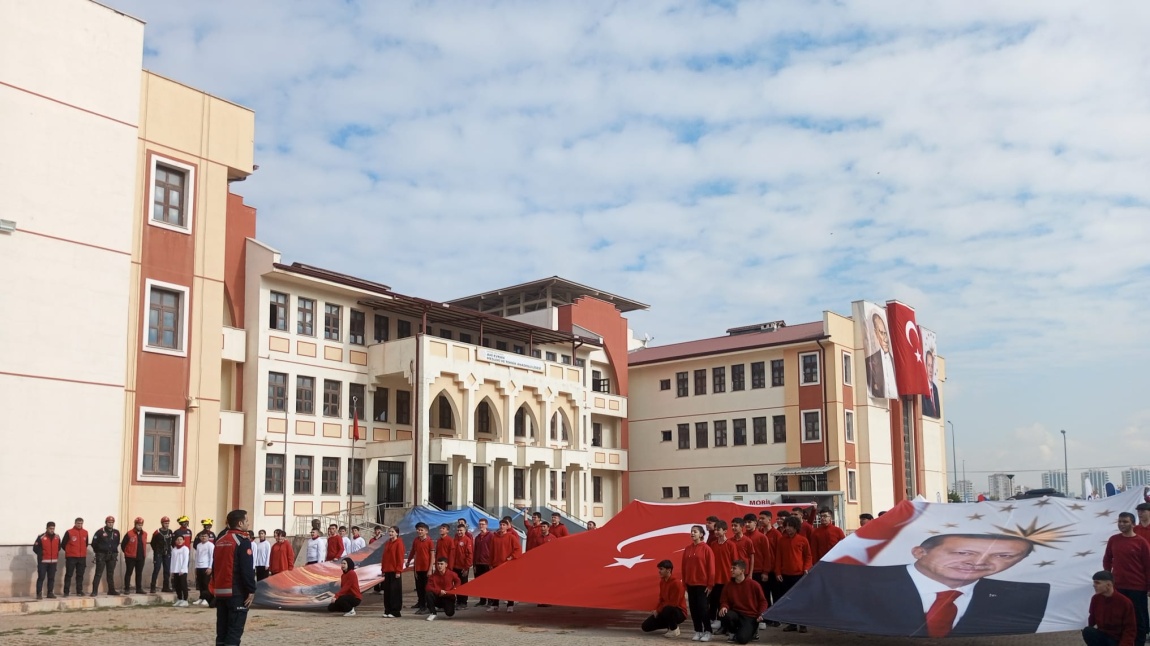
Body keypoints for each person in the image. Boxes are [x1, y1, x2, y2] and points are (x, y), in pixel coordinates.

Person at [767, 532, 1050, 636]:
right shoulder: (859, 584)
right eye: (963, 552)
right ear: (919, 551)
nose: (979, 563)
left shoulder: (1030, 598)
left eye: (1005, 556)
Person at [211, 509, 258, 645]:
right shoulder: (242, 541)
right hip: (236, 592)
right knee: (234, 632)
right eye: (247, 521)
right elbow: (246, 569)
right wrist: (251, 589)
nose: (248, 524)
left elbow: (215, 566)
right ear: (240, 523)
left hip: (221, 592)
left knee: (222, 632)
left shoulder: (220, 540)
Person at [1103, 512, 1150, 646]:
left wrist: (1149, 586)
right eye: (1120, 521)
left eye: (1125, 522)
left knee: (1138, 619)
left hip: (1137, 587)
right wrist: (1108, 578)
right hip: (1118, 587)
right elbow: (1107, 559)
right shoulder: (1113, 539)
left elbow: (1148, 565)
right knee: (1120, 618)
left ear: (1133, 524)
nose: (1121, 524)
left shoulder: (1141, 542)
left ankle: (1139, 643)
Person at [772, 515, 812, 633]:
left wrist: (806, 569)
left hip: (799, 575)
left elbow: (808, 556)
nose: (788, 528)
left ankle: (803, 623)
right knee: (788, 600)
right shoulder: (781, 540)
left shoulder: (803, 540)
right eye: (786, 526)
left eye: (791, 526)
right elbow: (778, 557)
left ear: (796, 527)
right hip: (785, 575)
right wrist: (778, 571)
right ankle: (792, 624)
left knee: (800, 600)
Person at [718, 560, 769, 645]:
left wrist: (761, 614)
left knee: (742, 640)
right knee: (724, 614)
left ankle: (753, 632)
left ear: (742, 571)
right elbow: (724, 600)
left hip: (750, 616)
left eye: (734, 568)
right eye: (731, 568)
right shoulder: (728, 585)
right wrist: (724, 607)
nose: (731, 570)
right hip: (736, 614)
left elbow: (763, 601)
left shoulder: (754, 585)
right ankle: (733, 633)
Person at [681, 525, 715, 642]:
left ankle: (708, 631)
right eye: (691, 531)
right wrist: (684, 582)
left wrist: (710, 584)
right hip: (690, 584)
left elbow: (711, 568)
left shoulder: (706, 549)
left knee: (703, 609)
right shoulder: (687, 549)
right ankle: (698, 630)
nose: (692, 533)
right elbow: (684, 567)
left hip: (702, 585)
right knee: (694, 609)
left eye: (695, 532)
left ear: (701, 534)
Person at [1085, 570, 1137, 646]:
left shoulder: (1125, 602)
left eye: (1097, 583)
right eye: (1094, 583)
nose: (1094, 585)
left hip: (1117, 640)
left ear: (1108, 585)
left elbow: (1130, 629)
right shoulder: (1095, 599)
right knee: (1088, 631)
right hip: (1103, 635)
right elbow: (1092, 618)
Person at [641, 559, 687, 638]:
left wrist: (659, 610)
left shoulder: (676, 583)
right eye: (659, 569)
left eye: (661, 569)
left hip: (679, 612)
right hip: (666, 610)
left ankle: (674, 629)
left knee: (668, 609)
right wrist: (656, 610)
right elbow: (661, 599)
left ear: (669, 570)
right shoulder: (662, 582)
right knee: (645, 626)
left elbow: (674, 603)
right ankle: (670, 625)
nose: (659, 571)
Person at [708, 520, 739, 633]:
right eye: (715, 529)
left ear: (725, 531)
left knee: (725, 603)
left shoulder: (731, 544)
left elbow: (735, 562)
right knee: (715, 602)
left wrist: (734, 577)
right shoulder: (713, 544)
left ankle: (726, 626)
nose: (716, 531)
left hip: (727, 578)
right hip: (716, 579)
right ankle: (719, 623)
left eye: (718, 529)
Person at [486, 517, 521, 612]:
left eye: (504, 525)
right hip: (496, 565)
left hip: (507, 566)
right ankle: (495, 604)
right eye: (500, 525)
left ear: (507, 526)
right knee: (496, 586)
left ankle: (510, 604)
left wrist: (511, 557)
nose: (501, 526)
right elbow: (491, 551)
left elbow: (518, 549)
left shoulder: (511, 537)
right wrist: (490, 563)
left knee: (508, 585)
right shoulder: (494, 537)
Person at [864, 310, 897, 399]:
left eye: (886, 334)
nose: (886, 339)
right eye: (882, 333)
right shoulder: (870, 362)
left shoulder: (895, 363)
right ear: (876, 333)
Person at [90, 516, 121, 596]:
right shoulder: (100, 532)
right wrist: (99, 551)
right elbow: (94, 543)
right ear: (106, 523)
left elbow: (117, 542)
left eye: (112, 522)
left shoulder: (116, 532)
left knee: (110, 573)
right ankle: (94, 591)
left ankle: (111, 590)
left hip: (112, 555)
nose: (110, 524)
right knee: (98, 573)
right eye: (109, 522)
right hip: (102, 555)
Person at [408, 522, 434, 613]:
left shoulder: (430, 541)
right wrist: (408, 561)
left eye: (421, 530)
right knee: (419, 588)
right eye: (418, 530)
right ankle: (421, 604)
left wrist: (430, 569)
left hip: (426, 569)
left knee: (426, 588)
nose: (419, 531)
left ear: (426, 531)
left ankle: (427, 606)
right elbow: (412, 551)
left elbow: (432, 556)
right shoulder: (416, 540)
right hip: (417, 568)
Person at [425, 557, 461, 621]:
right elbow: (428, 587)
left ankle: (449, 607)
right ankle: (433, 613)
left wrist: (455, 588)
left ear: (446, 565)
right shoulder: (433, 576)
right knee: (428, 594)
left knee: (450, 613)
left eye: (441, 564)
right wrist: (439, 591)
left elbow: (458, 581)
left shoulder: (451, 574)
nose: (439, 566)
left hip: (448, 597)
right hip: (438, 596)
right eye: (438, 564)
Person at [380, 526, 405, 618]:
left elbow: (400, 558)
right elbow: (384, 557)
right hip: (387, 570)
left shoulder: (399, 543)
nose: (390, 533)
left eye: (392, 532)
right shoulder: (387, 543)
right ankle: (387, 609)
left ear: (397, 533)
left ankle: (395, 611)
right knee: (387, 591)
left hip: (395, 571)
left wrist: (398, 570)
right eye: (389, 532)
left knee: (395, 591)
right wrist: (383, 569)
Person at [61, 517, 88, 597]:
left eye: (81, 523)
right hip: (71, 557)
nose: (80, 525)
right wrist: (69, 551)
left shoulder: (85, 532)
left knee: (80, 575)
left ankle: (79, 591)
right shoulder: (69, 532)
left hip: (82, 557)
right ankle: (66, 592)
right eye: (78, 523)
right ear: (75, 523)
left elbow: (85, 544)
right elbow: (63, 544)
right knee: (69, 574)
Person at [32, 521, 60, 600]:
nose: (52, 530)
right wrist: (42, 555)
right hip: (43, 562)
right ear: (47, 528)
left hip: (53, 562)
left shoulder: (57, 537)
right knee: (41, 577)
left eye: (53, 528)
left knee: (51, 578)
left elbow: (59, 547)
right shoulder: (41, 537)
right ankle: (39, 593)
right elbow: (35, 548)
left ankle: (50, 593)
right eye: (50, 528)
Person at [121, 517, 148, 594]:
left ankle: (139, 589)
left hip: (141, 557)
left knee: (139, 573)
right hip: (130, 557)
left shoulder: (144, 534)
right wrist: (127, 553)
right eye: (138, 524)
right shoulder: (129, 533)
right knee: (129, 572)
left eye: (141, 525)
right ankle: (127, 588)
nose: (140, 526)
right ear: (135, 524)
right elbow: (123, 545)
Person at [472, 518, 494, 607]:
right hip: (478, 563)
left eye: (483, 524)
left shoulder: (491, 536)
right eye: (480, 524)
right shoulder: (477, 537)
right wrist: (474, 564)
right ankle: (482, 600)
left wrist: (491, 562)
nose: (481, 526)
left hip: (487, 562)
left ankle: (490, 600)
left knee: (489, 582)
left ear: (486, 525)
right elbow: (475, 550)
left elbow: (492, 549)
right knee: (480, 582)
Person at [149, 516, 174, 593]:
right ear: (162, 523)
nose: (167, 525)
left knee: (167, 570)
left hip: (167, 554)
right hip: (158, 554)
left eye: (168, 523)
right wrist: (156, 550)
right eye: (165, 523)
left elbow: (171, 542)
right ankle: (153, 587)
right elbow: (152, 543)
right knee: (156, 569)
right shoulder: (157, 532)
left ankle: (166, 587)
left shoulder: (170, 532)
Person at [453, 524, 473, 608]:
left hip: (463, 567)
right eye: (458, 530)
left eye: (461, 530)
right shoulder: (455, 540)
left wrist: (466, 567)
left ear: (465, 531)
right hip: (455, 566)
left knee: (464, 584)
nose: (459, 532)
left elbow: (469, 554)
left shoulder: (467, 540)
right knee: (457, 584)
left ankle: (464, 602)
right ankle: (458, 601)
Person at [194, 531, 215, 606]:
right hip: (199, 566)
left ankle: (207, 598)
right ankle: (201, 597)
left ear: (208, 537)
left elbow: (211, 557)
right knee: (200, 583)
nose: (203, 538)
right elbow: (197, 557)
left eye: (205, 536)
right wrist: (196, 567)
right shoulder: (198, 545)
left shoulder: (210, 545)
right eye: (202, 536)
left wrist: (210, 567)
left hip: (206, 566)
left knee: (206, 583)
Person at [170, 535, 191, 607]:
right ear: (175, 541)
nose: (179, 541)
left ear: (183, 541)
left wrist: (182, 569)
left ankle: (185, 600)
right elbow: (172, 560)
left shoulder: (185, 549)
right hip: (175, 570)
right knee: (177, 585)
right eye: (178, 539)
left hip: (182, 570)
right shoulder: (174, 549)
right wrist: (172, 570)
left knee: (183, 585)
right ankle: (179, 599)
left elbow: (186, 560)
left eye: (181, 539)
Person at [921, 350, 941, 418]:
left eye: (932, 366)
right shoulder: (922, 389)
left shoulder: (935, 388)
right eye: (928, 365)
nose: (930, 370)